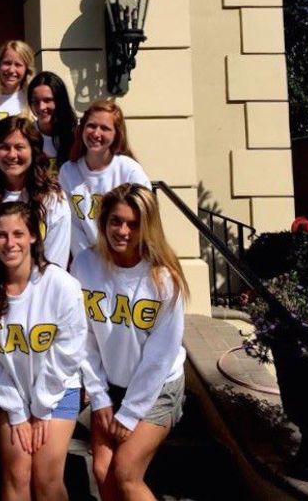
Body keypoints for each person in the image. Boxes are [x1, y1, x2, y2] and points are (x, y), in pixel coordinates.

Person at [70, 184, 188, 501]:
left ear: (148, 227)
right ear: (104, 221)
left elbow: (161, 356)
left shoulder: (163, 277)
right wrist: (99, 397)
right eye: (116, 221)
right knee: (102, 471)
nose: (122, 231)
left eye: (133, 224)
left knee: (125, 473)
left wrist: (131, 412)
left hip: (156, 387)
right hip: (110, 384)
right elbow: (84, 337)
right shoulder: (85, 264)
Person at [0, 202, 87, 501]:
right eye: (1, 235)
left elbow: (68, 353)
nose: (10, 243)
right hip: (7, 390)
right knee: (17, 473)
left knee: (47, 479)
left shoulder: (61, 286)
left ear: (33, 236)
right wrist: (17, 410)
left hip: (57, 391)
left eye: (18, 234)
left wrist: (41, 407)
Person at [0, 117, 71, 268]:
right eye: (4, 147)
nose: (12, 155)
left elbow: (55, 261)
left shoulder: (53, 199)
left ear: (33, 151)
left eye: (19, 147)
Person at [60, 99, 150, 258]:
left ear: (117, 134)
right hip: (86, 261)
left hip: (125, 259)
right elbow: (72, 226)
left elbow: (144, 219)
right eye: (91, 126)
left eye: (105, 128)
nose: (96, 133)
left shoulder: (129, 171)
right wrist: (88, 261)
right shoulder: (68, 171)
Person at [27, 71, 77, 180]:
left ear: (60, 100)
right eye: (35, 101)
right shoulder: (27, 134)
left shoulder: (76, 135)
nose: (41, 107)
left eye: (47, 100)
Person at [0, 41, 36, 119]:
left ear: (27, 69)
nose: (11, 70)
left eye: (18, 65)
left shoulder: (33, 100)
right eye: (7, 63)